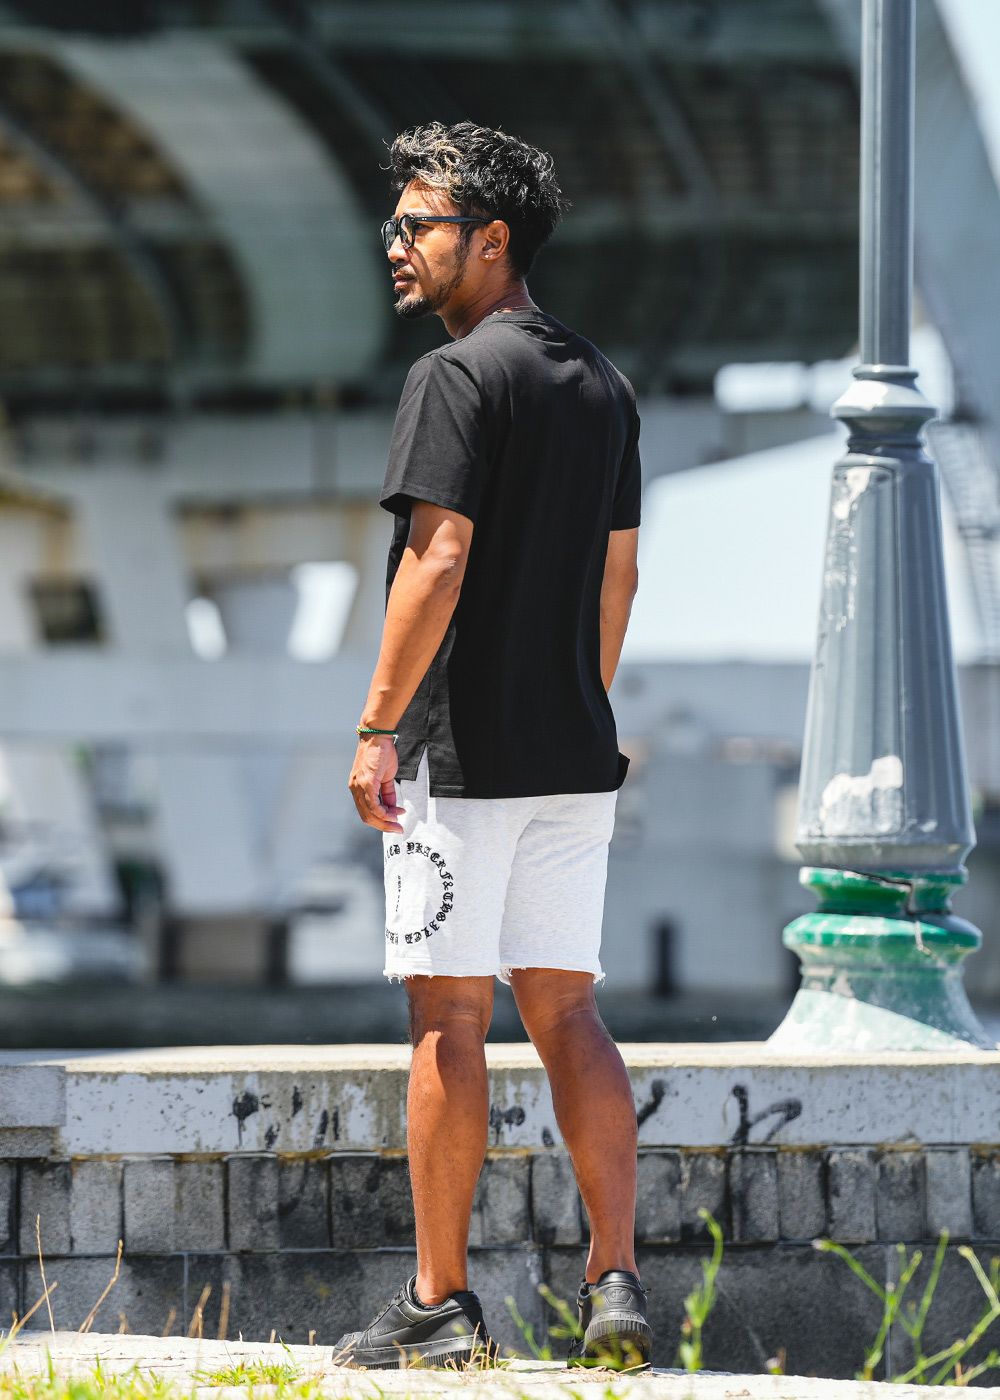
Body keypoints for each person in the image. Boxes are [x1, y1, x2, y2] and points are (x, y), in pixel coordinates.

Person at [342, 121, 646, 1371]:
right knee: (568, 1010)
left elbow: (439, 555)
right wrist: (574, 700)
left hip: (458, 755)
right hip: (574, 750)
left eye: (419, 224)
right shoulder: (601, 382)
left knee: (448, 1017)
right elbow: (619, 579)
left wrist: (377, 725)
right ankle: (615, 1280)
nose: (396, 243)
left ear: (491, 238)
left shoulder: (455, 377)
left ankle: (438, 1301)